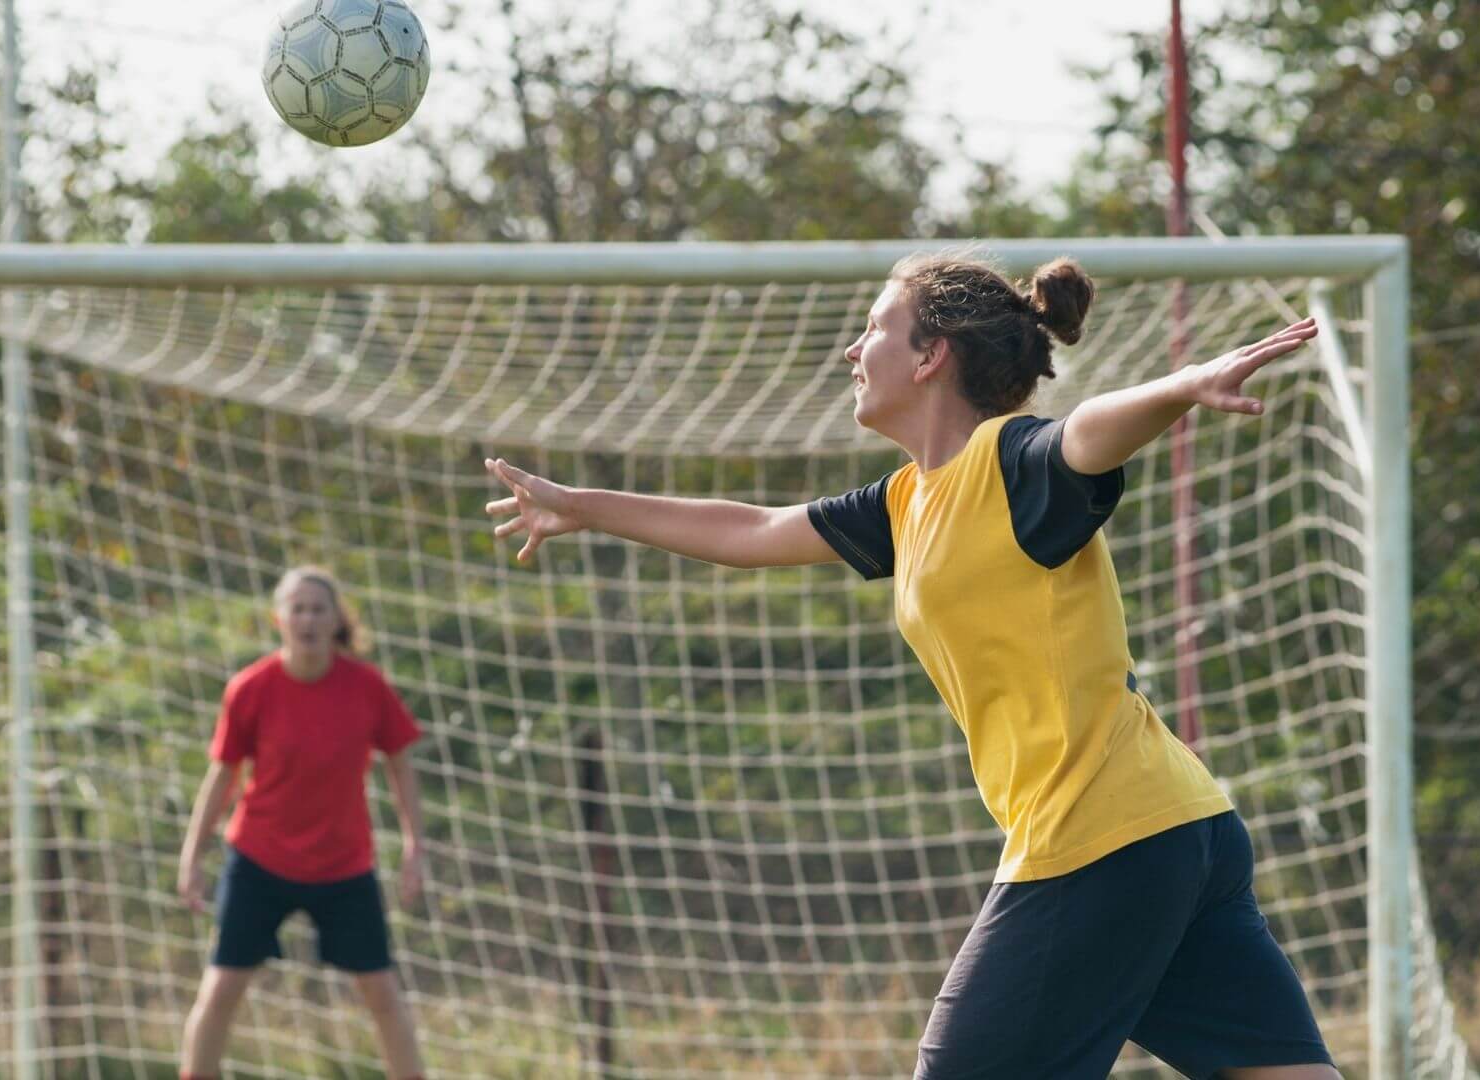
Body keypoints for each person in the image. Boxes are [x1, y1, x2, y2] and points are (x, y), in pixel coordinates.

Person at [482, 251, 1340, 1079]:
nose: (852, 351)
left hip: (1097, 836)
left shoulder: (1010, 461)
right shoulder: (905, 502)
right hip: (1177, 827)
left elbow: (1089, 434)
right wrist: (584, 507)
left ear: (932, 355)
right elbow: (748, 531)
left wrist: (1185, 386)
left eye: (873, 329)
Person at [176, 566, 427, 1080]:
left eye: (319, 608)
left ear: (336, 620)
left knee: (381, 993)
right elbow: (222, 776)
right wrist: (192, 855)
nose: (308, 618)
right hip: (260, 858)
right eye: (298, 608)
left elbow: (400, 762)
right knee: (221, 989)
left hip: (343, 864)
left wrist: (414, 846)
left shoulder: (365, 686)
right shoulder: (250, 688)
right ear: (279, 619)